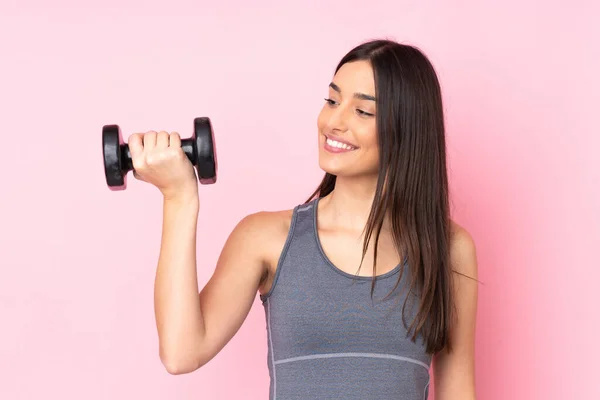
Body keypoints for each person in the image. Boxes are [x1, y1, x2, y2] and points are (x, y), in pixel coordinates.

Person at [128, 39, 479, 400]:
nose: (334, 121)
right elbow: (181, 352)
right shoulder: (266, 238)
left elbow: (457, 389)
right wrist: (178, 197)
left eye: (362, 112)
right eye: (332, 100)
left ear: (408, 129)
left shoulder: (449, 250)